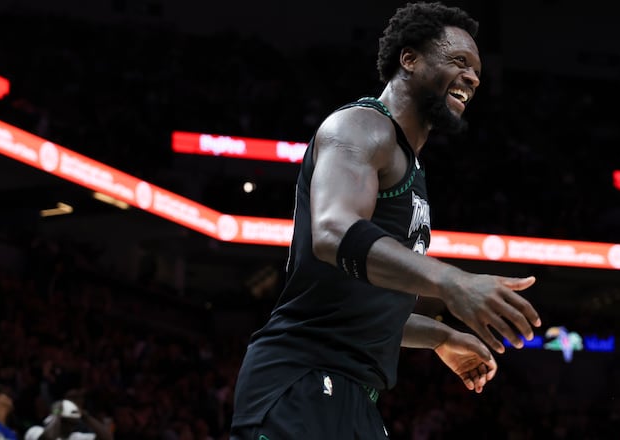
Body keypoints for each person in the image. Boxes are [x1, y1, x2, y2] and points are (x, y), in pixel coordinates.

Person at [229, 2, 542, 439]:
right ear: (408, 59)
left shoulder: (412, 167)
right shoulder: (360, 127)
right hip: (301, 379)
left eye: (477, 73)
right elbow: (333, 233)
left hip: (353, 393)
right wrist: (452, 282)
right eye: (458, 62)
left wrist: (439, 337)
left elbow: (360, 307)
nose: (472, 78)